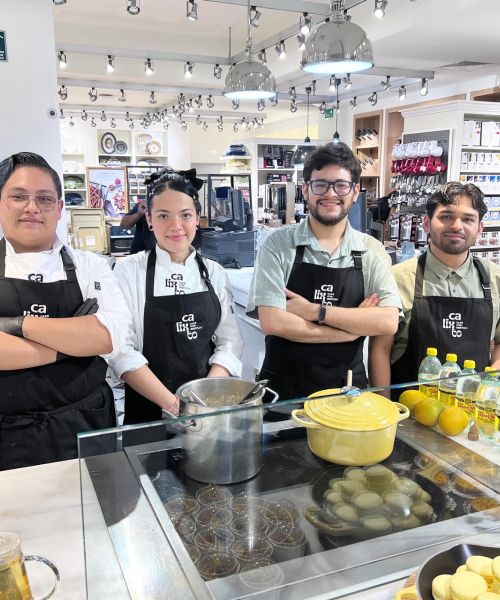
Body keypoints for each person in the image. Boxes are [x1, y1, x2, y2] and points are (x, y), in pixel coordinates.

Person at [0, 152, 131, 470]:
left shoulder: (91, 266)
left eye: (44, 198)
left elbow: (111, 337)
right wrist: (74, 343)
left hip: (85, 424)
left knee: (95, 500)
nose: (32, 207)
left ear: (59, 208)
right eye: (19, 196)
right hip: (7, 434)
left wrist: (17, 325)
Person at [246, 142, 401, 404]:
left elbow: (386, 322)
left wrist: (314, 312)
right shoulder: (277, 245)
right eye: (320, 184)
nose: (330, 193)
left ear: (355, 192)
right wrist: (351, 331)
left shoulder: (372, 251)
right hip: (283, 400)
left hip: (348, 398)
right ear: (306, 189)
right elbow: (274, 322)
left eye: (341, 185)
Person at [109, 168, 243, 424]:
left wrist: (201, 402)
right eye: (163, 216)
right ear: (149, 219)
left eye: (185, 215)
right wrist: (172, 403)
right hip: (148, 407)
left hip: (206, 409)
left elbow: (230, 343)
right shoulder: (129, 271)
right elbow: (121, 349)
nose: (176, 226)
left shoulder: (214, 272)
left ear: (197, 218)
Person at [369, 181, 500, 396]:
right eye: (446, 216)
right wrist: (384, 406)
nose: (456, 226)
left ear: (480, 228)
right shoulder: (397, 278)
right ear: (426, 223)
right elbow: (380, 351)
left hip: (472, 409)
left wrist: (490, 390)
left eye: (468, 219)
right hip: (408, 408)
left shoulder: (495, 279)